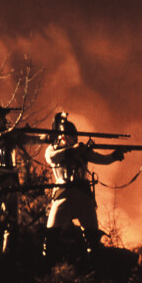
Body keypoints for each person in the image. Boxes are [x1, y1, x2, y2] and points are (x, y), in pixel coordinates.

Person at [43, 112, 124, 265]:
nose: (69, 138)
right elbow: (53, 158)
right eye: (67, 135)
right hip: (63, 194)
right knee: (50, 239)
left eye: (72, 136)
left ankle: (94, 270)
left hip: (82, 196)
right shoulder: (52, 150)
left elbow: (102, 159)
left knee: (92, 239)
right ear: (61, 137)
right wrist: (76, 150)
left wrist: (115, 156)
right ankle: (48, 270)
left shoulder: (83, 151)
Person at [0, 100, 45, 252]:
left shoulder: (10, 134)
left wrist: (44, 138)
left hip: (11, 180)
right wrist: (8, 134)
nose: (4, 120)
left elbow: (29, 139)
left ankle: (8, 255)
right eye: (1, 117)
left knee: (12, 222)